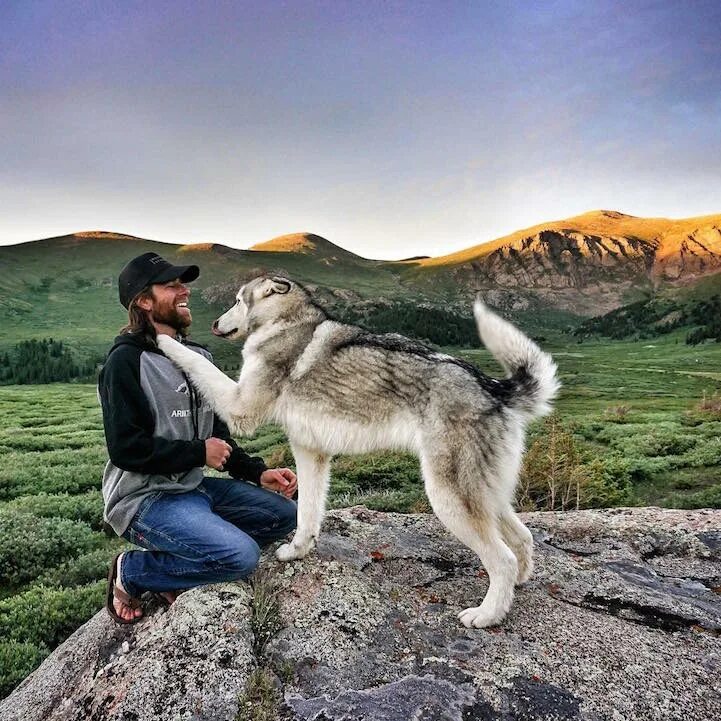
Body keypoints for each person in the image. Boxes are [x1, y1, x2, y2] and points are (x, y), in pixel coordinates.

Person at [99, 252, 297, 623]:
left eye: (183, 283)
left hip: (192, 488)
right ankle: (133, 572)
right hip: (146, 499)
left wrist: (257, 474)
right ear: (144, 301)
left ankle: (189, 557)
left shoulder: (199, 357)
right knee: (240, 556)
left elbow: (217, 434)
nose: (183, 290)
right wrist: (197, 452)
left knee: (285, 515)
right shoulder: (125, 362)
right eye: (171, 285)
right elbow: (127, 449)